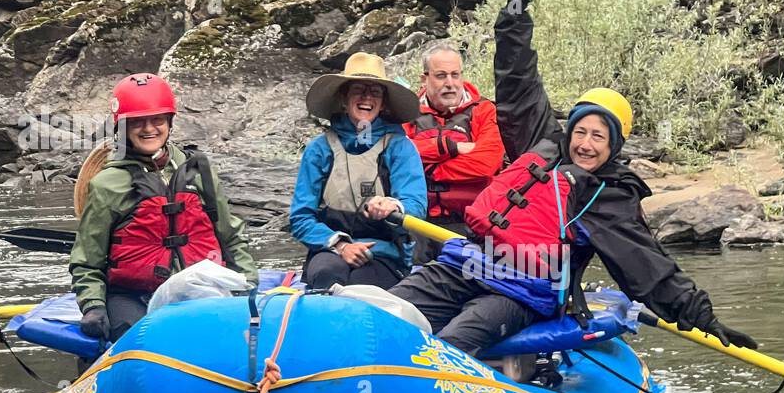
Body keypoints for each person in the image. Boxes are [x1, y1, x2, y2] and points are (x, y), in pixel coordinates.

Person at [389, 0, 757, 358]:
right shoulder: (542, 143)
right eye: (580, 131)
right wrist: (513, 12)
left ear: (613, 146)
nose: (585, 143)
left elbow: (647, 267)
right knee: (388, 312)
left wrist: (704, 318)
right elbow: (517, 80)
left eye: (599, 137)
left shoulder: (609, 196)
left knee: (454, 342)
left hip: (523, 292)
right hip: (467, 265)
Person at [70, 72, 259, 343]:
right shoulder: (106, 185)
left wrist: (247, 283)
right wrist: (93, 306)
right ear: (122, 127)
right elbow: (88, 259)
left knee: (229, 336)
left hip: (199, 288)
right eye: (137, 122)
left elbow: (230, 236)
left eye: (157, 120)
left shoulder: (198, 171)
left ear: (169, 122)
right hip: (133, 294)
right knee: (137, 338)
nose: (149, 129)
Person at [290, 52, 427, 289]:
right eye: (358, 90)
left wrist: (393, 206)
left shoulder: (400, 148)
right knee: (326, 275)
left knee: (363, 287)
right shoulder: (319, 150)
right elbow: (301, 217)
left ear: (383, 104)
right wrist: (341, 246)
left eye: (375, 92)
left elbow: (416, 206)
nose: (366, 97)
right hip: (330, 249)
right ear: (344, 98)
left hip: (385, 254)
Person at [402, 40, 504, 263]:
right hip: (417, 222)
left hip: (471, 223)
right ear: (424, 78)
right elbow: (398, 155)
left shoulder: (485, 111)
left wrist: (428, 170)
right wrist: (451, 148)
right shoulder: (405, 113)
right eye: (441, 76)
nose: (450, 83)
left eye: (455, 75)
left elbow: (485, 164)